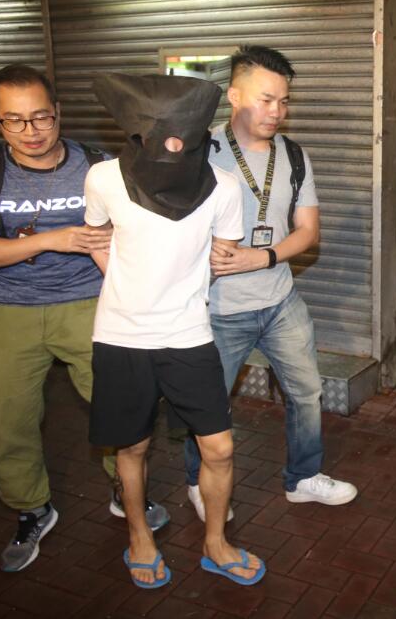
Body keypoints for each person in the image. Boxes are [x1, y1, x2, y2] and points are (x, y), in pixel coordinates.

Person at [0, 65, 168, 573]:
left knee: (122, 406)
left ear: (58, 112)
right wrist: (55, 238)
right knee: (9, 416)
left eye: (41, 117)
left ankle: (126, 489)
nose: (30, 131)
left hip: (93, 302)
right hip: (11, 307)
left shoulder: (99, 165)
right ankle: (32, 507)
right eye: (14, 120)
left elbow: (141, 233)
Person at [86, 72, 263, 588]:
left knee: (220, 448)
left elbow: (222, 253)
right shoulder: (103, 178)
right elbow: (97, 237)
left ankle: (215, 542)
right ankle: (139, 535)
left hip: (188, 334)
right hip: (121, 335)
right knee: (132, 447)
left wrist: (181, 289)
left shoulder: (223, 187)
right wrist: (128, 287)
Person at [188, 45, 356, 515]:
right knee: (207, 404)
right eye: (265, 100)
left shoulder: (294, 155)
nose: (276, 112)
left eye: (283, 101)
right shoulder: (200, 153)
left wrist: (260, 257)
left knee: (307, 392)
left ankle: (303, 477)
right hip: (219, 308)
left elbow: (308, 231)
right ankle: (199, 483)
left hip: (281, 300)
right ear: (234, 96)